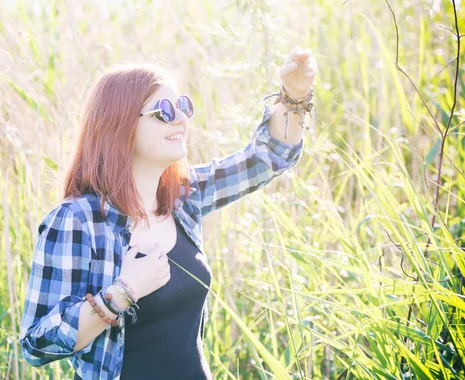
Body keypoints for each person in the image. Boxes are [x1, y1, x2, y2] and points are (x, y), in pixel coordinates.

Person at [19, 47, 318, 379]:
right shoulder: (77, 221)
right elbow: (36, 344)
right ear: (120, 126)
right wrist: (121, 293)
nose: (181, 119)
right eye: (163, 110)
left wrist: (294, 94)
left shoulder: (182, 198)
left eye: (183, 106)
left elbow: (268, 158)